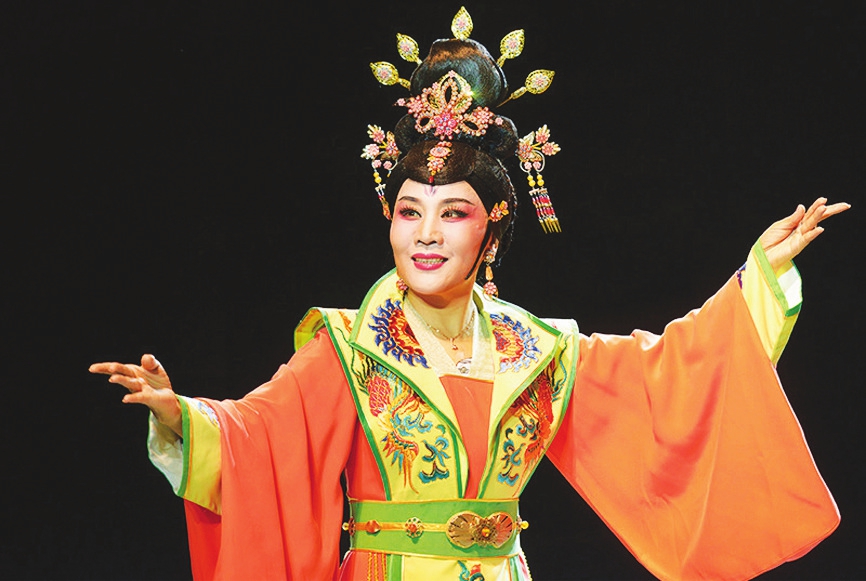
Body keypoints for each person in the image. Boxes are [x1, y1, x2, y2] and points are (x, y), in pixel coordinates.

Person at [90, 8, 848, 581]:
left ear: (492, 230)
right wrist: (179, 416)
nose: (425, 235)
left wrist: (760, 277)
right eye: (409, 211)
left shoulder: (539, 350)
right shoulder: (349, 347)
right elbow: (259, 436)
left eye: (452, 213)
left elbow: (670, 378)